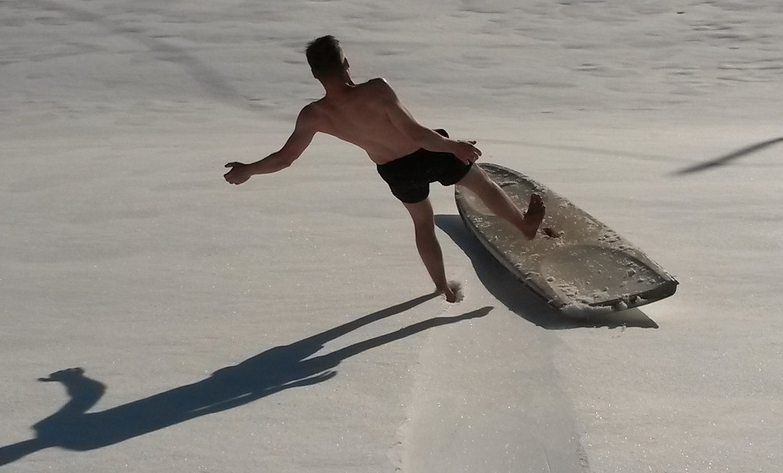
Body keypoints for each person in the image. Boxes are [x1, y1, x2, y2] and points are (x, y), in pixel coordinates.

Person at [225, 35, 554, 303]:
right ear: (345, 63)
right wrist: (455, 146)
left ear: (315, 74)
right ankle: (524, 225)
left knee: (423, 223)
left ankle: (443, 287)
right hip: (427, 152)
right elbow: (415, 133)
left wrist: (248, 170)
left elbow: (285, 158)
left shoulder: (314, 115)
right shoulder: (377, 90)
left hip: (395, 172)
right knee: (479, 183)